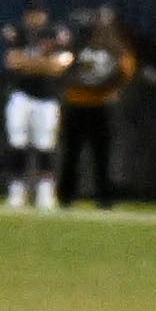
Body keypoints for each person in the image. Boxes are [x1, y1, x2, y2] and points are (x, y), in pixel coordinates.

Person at [0, 3, 72, 210]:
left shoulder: (56, 32)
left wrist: (30, 63)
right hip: (21, 96)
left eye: (38, 14)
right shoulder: (18, 33)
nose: (34, 18)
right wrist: (43, 63)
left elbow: (60, 65)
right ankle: (17, 191)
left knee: (45, 145)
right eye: (31, 14)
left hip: (48, 99)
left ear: (44, 15)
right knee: (17, 143)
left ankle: (45, 193)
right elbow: (12, 61)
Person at [57, 11, 131, 211]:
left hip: (100, 104)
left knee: (102, 155)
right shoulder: (79, 43)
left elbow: (126, 69)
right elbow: (63, 67)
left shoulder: (115, 48)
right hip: (76, 102)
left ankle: (104, 197)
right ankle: (66, 196)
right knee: (72, 152)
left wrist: (113, 88)